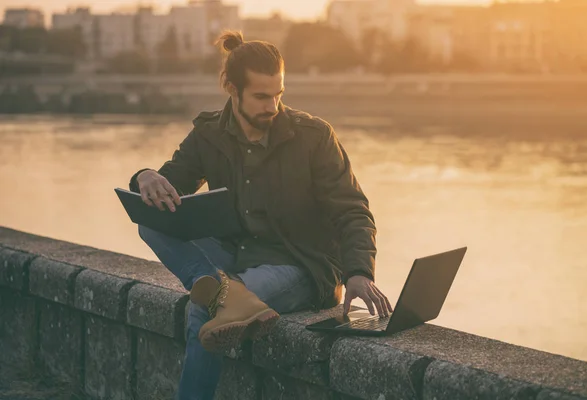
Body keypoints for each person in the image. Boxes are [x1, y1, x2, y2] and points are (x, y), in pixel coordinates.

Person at [128, 30, 392, 400]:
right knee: (150, 218)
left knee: (203, 312)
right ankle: (217, 287)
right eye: (261, 96)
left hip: (300, 265)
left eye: (279, 95)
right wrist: (145, 176)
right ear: (231, 89)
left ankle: (218, 295)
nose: (273, 106)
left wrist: (359, 272)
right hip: (237, 255)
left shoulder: (314, 137)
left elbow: (352, 210)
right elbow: (169, 189)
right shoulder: (209, 133)